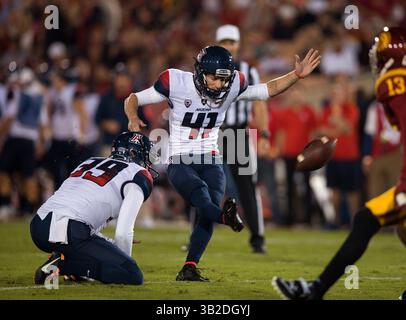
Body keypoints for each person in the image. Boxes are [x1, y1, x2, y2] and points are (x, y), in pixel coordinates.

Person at [125, 45, 321, 281]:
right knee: (202, 200)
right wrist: (133, 117)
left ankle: (190, 266)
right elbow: (133, 98)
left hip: (211, 159)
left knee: (207, 211)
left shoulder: (233, 84)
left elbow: (268, 89)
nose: (219, 85)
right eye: (214, 78)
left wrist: (295, 76)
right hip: (180, 160)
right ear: (200, 73)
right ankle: (226, 218)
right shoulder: (175, 82)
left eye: (223, 79)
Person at [272, 26, 406, 300]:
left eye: (379, 58)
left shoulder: (393, 82)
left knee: (368, 219)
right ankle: (315, 290)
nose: (376, 65)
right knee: (387, 223)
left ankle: (315, 290)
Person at [30, 131, 157, 285]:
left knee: (89, 243)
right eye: (145, 155)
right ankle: (62, 266)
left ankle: (65, 257)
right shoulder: (138, 174)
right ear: (133, 152)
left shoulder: (90, 161)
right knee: (132, 275)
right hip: (69, 230)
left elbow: (80, 209)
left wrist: (107, 243)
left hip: (38, 225)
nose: (147, 161)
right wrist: (123, 263)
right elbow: (123, 233)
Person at [216, 24, 270, 253]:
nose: (229, 46)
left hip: (237, 132)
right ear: (218, 44)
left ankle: (257, 237)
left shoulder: (249, 70)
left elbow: (259, 103)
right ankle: (195, 236)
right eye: (225, 42)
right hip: (213, 132)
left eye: (232, 42)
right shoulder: (207, 67)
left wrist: (265, 133)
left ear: (238, 44)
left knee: (247, 186)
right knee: (203, 185)